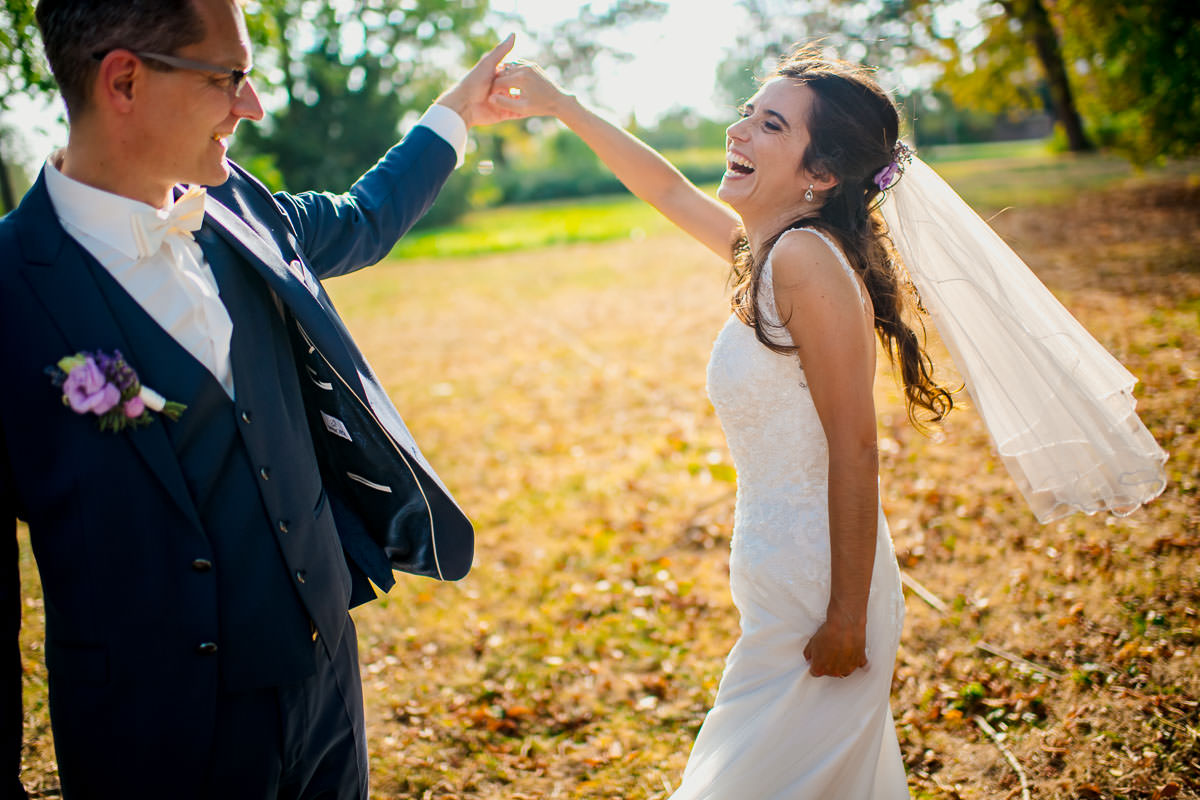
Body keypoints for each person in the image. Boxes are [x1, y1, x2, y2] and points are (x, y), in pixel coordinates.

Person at [491, 44, 1166, 798]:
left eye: (770, 124)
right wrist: (562, 106)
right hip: (783, 581)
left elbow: (856, 445)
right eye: (748, 111)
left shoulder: (807, 262)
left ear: (820, 174)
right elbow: (671, 194)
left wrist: (847, 614)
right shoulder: (775, 251)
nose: (738, 130)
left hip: (823, 600)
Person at [0, 0, 523, 797]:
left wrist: (454, 114)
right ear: (125, 80)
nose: (253, 105)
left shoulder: (240, 207)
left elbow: (362, 219)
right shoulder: (8, 287)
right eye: (229, 78)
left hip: (324, 688)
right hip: (148, 734)